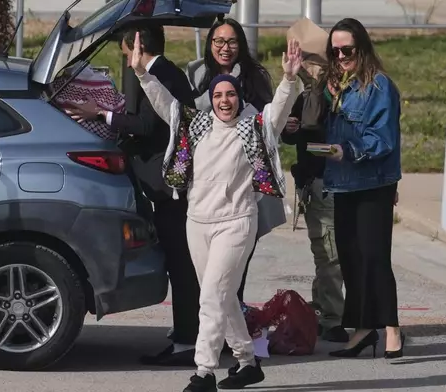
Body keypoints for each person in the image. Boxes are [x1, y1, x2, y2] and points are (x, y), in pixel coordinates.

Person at [133, 31, 303, 391]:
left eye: (231, 95)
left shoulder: (253, 128)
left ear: (239, 99)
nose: (225, 101)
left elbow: (278, 111)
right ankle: (246, 361)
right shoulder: (198, 125)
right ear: (211, 100)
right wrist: (143, 75)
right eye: (218, 96)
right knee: (220, 296)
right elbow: (167, 106)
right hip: (197, 223)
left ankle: (204, 372)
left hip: (237, 223)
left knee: (211, 297)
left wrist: (289, 79)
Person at [68, 26, 200, 367]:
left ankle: (188, 341)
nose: (127, 60)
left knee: (181, 265)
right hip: (165, 184)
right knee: (180, 263)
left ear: (137, 47)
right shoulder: (167, 70)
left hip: (167, 186)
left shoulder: (158, 76)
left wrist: (100, 114)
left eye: (127, 53)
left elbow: (146, 125)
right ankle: (189, 333)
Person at [186, 17, 286, 303]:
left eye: (232, 41)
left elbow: (269, 125)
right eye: (218, 41)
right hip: (205, 190)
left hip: (242, 191)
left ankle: (228, 335)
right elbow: (185, 117)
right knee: (207, 275)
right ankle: (217, 333)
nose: (225, 48)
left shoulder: (255, 77)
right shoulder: (195, 73)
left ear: (241, 45)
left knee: (232, 272)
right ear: (210, 44)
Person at [321, 18, 405, 359]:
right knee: (351, 259)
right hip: (342, 183)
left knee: (374, 258)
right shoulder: (339, 87)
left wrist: (350, 151)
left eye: (348, 50)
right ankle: (362, 329)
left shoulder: (379, 86)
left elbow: (383, 138)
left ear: (363, 49)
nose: (341, 56)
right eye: (335, 50)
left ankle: (392, 329)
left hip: (372, 183)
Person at [281, 65, 347, 342]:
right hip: (317, 185)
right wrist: (290, 129)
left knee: (332, 252)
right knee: (329, 253)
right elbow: (291, 137)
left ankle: (324, 308)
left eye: (314, 63)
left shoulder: (345, 97)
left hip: (341, 183)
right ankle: (331, 318)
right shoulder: (305, 98)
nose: (309, 69)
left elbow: (345, 146)